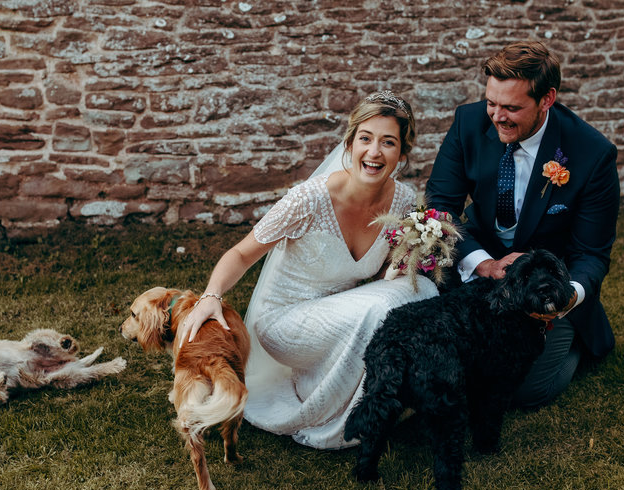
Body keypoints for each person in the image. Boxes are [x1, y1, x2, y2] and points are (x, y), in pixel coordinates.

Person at [182, 91, 438, 449]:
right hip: (284, 323)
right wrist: (211, 296)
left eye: (388, 142)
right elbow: (242, 253)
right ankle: (327, 403)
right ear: (349, 143)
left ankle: (387, 396)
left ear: (403, 153)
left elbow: (384, 278)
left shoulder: (405, 201)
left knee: (424, 292)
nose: (374, 152)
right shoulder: (309, 199)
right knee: (382, 309)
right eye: (365, 138)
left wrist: (410, 258)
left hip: (341, 314)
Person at [426, 41, 620, 409]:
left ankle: (572, 337)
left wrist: (566, 299)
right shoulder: (468, 122)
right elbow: (441, 206)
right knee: (449, 362)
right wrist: (483, 263)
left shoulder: (592, 154)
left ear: (547, 99)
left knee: (523, 391)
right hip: (480, 264)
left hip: (546, 284)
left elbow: (591, 253)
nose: (497, 116)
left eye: (512, 107)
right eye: (491, 103)